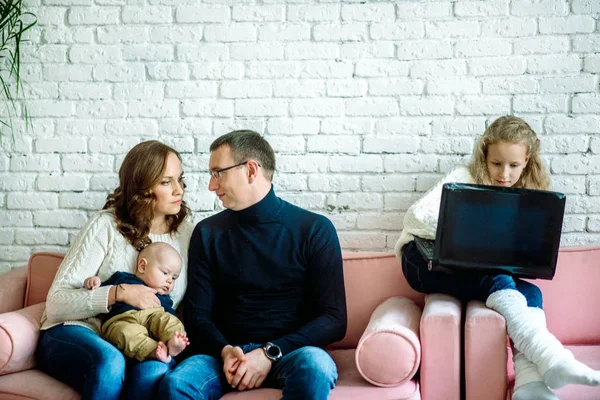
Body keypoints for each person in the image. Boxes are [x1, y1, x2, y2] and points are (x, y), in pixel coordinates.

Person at [395, 116, 600, 400]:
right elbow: (416, 218)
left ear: (527, 160)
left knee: (530, 292)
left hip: (476, 266)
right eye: (496, 163)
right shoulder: (463, 177)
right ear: (484, 157)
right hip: (421, 260)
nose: (504, 173)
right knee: (496, 275)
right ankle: (553, 358)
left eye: (514, 165)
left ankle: (530, 385)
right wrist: (475, 229)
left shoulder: (528, 192)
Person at [158, 130, 347, 399]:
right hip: (224, 355)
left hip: (291, 353)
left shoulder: (314, 230)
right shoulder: (208, 233)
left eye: (218, 173)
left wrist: (270, 352)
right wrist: (225, 350)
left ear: (250, 170)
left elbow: (335, 319)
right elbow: (197, 314)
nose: (212, 186)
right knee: (176, 385)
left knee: (316, 368)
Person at [35, 140, 194, 400]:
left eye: (180, 179)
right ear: (143, 188)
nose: (179, 190)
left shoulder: (186, 233)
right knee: (110, 362)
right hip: (80, 331)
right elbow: (55, 305)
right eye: (166, 182)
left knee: (153, 372)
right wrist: (118, 293)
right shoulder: (105, 226)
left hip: (144, 339)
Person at [84, 242, 190, 363]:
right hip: (122, 319)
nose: (169, 281)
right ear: (143, 266)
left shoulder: (164, 297)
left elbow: (171, 316)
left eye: (174, 278)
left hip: (153, 317)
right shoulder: (123, 278)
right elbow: (103, 292)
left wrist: (174, 328)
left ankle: (173, 342)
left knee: (169, 321)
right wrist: (93, 282)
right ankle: (153, 350)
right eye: (165, 273)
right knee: (125, 333)